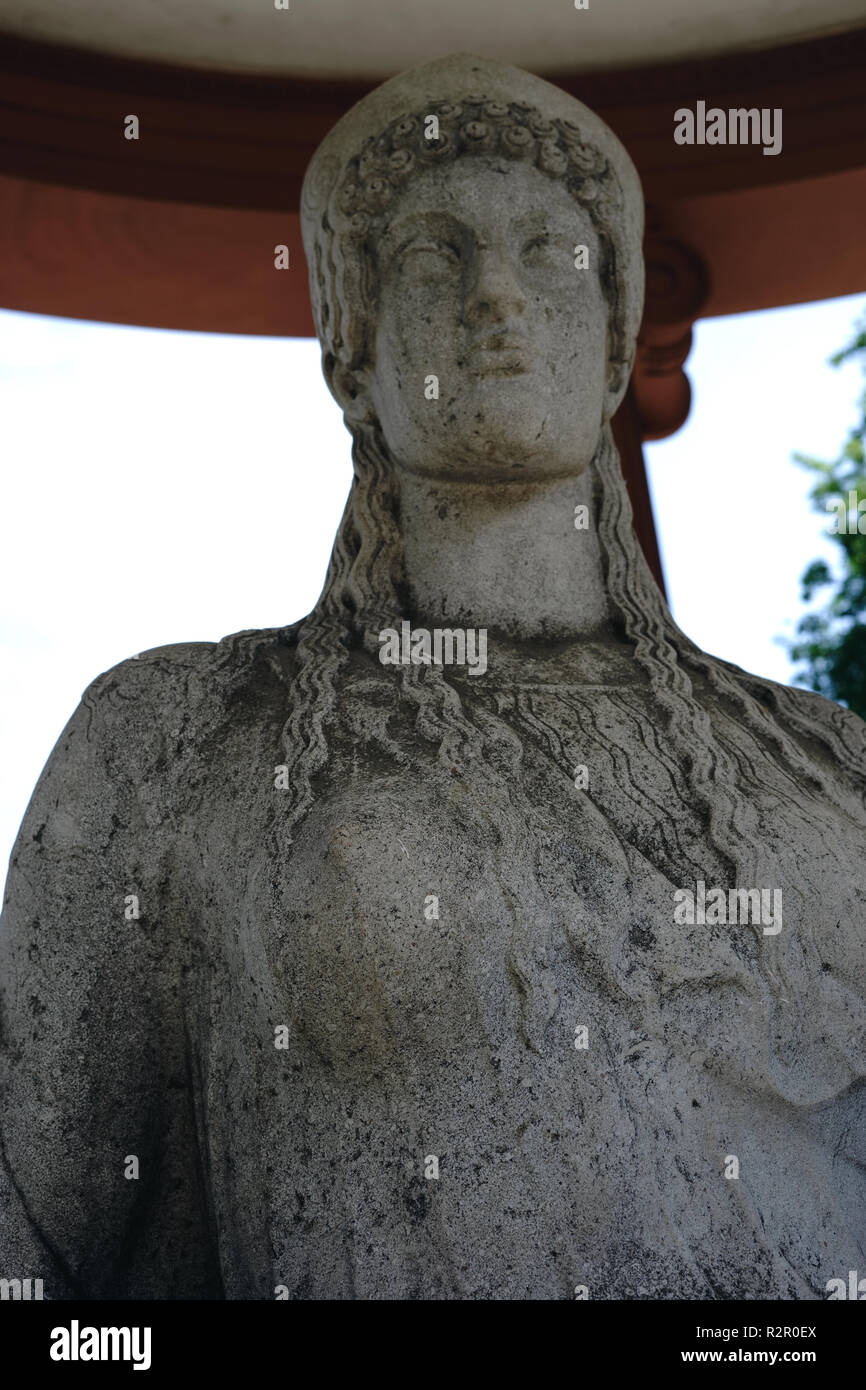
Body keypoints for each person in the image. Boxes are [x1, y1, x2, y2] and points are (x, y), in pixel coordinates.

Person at [1, 54, 864, 1300]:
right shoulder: (177, 738)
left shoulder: (828, 763)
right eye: (431, 258)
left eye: (550, 256)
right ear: (350, 355)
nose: (495, 298)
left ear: (619, 345)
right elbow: (36, 1246)